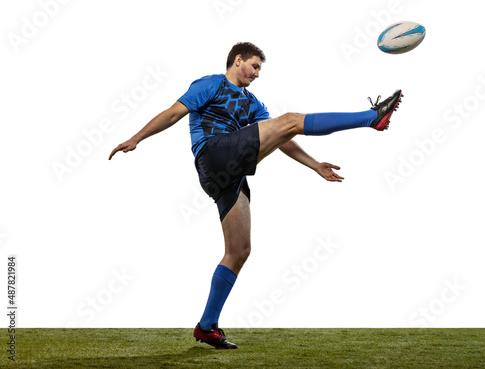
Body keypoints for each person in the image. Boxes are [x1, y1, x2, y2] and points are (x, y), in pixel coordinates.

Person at [109, 42, 402, 349]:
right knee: (289, 118)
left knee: (240, 250)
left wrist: (315, 165)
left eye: (260, 68)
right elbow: (172, 114)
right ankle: (370, 117)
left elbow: (283, 136)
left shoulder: (252, 103)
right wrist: (136, 138)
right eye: (255, 66)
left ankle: (206, 326)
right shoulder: (212, 84)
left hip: (226, 174)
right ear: (238, 60)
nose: (258, 74)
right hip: (214, 154)